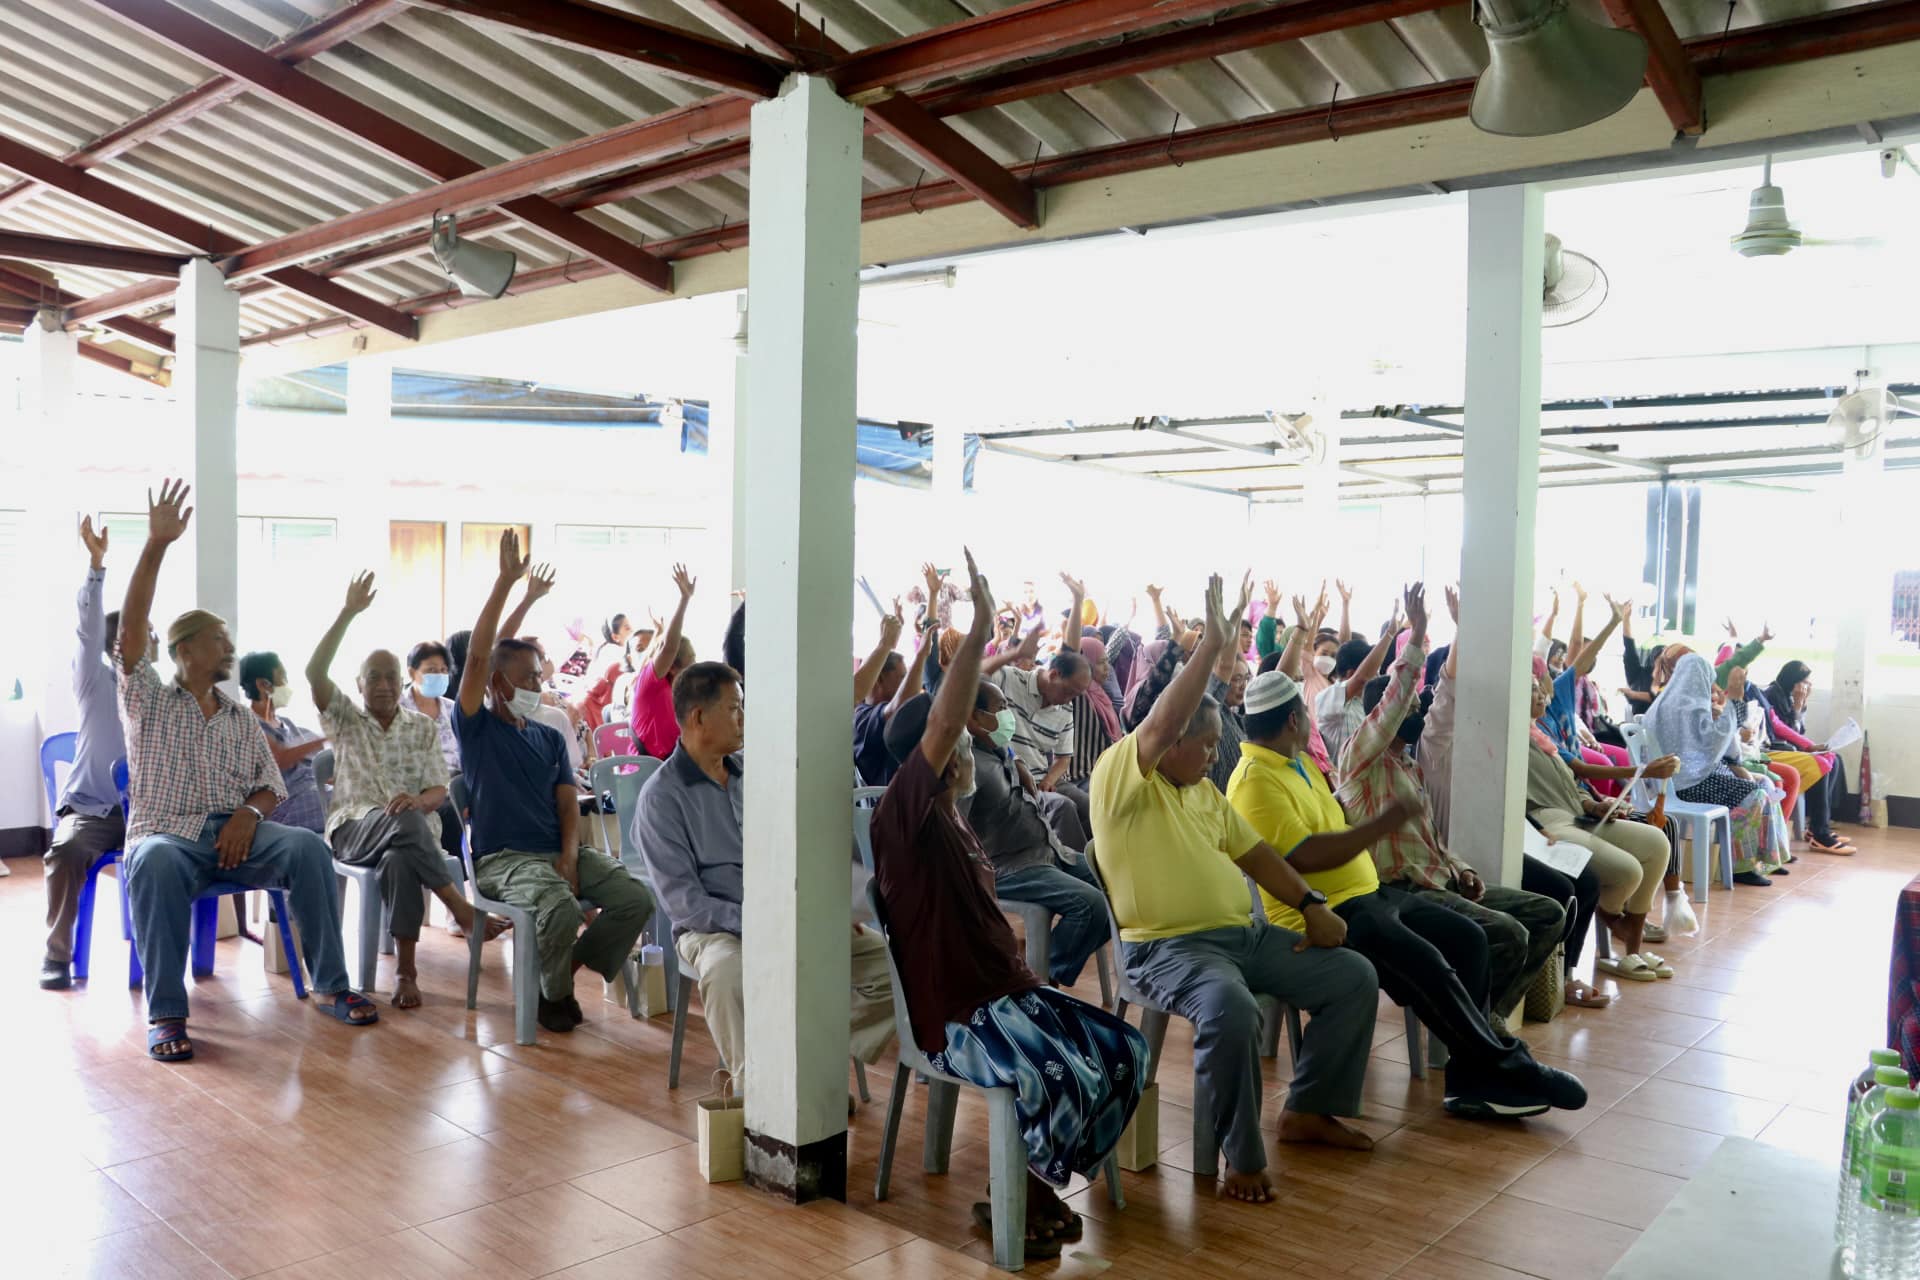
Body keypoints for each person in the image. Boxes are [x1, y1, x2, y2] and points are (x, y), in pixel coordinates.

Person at [872, 550, 1145, 1258]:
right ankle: (1016, 1195)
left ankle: (1029, 1183)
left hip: (1005, 992)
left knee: (1120, 1051)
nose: (966, 751)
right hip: (958, 1013)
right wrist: (984, 627)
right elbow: (939, 723)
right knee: (1051, 1072)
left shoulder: (955, 815)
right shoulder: (905, 819)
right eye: (957, 743)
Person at [1231, 589, 1584, 1121]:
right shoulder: (1261, 778)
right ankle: (1508, 1066)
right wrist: (1416, 638)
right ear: (1291, 723)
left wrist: (1456, 867)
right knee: (1432, 964)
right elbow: (1302, 856)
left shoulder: (1298, 766)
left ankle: (1472, 1077)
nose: (1312, 722)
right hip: (1330, 911)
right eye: (1304, 715)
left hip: (1369, 893)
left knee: (1467, 940)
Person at [1093, 572, 1380, 1205]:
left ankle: (1308, 1110)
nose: (1210, 756)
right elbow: (1166, 718)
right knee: (1233, 1010)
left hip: (1243, 939)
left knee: (1354, 975)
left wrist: (1310, 906)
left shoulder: (1203, 793)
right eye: (1204, 744)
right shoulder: (1122, 777)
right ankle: (1240, 1157)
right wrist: (1212, 646)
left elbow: (1257, 855)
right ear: (1169, 743)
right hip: (1168, 950)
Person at [117, 480, 376, 1062]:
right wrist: (156, 546)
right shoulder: (149, 700)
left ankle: (331, 984)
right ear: (183, 650)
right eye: (219, 640)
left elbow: (268, 784)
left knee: (308, 848)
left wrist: (248, 813)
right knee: (155, 861)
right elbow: (130, 633)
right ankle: (166, 1013)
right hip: (166, 834)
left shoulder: (239, 717)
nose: (231, 650)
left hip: (237, 834)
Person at [633, 660, 895, 1095]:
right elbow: (686, 905)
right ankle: (761, 1097)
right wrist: (761, 921)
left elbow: (796, 848)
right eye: (735, 708)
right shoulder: (661, 798)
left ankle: (800, 1053)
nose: (743, 718)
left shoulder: (752, 774)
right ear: (699, 717)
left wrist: (828, 902)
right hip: (716, 930)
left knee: (898, 964)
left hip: (785, 912)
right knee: (727, 975)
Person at [1337, 585, 1566, 1026]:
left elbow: (1433, 841)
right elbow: (1398, 699)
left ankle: (1484, 1021)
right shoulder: (1360, 760)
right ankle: (1475, 1030)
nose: (1418, 708)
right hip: (1402, 891)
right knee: (1508, 934)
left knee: (1547, 913)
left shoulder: (1410, 766)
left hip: (1441, 880)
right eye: (1409, 706)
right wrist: (1419, 633)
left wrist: (1461, 869)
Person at [457, 532, 653, 1033]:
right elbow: (482, 656)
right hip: (503, 860)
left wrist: (569, 854)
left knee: (635, 899)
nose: (535, 686)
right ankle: (555, 997)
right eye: (524, 679)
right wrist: (508, 585)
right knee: (558, 905)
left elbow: (569, 803)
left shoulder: (546, 735)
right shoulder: (477, 728)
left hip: (554, 851)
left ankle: (562, 973)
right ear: (497, 685)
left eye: (537, 678)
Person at [306, 572, 508, 1008]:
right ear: (359, 685)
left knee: (402, 853)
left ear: (402, 684)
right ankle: (459, 905)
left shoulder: (421, 726)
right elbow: (314, 671)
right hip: (353, 831)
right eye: (373, 678)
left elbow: (439, 789)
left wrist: (419, 801)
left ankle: (406, 973)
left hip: (410, 835)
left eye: (390, 678)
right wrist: (347, 613)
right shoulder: (345, 720)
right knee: (405, 822)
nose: (383, 685)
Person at [927, 678, 1110, 988]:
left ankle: (1037, 970)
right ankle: (1039, 979)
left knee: (1114, 881)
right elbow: (953, 828)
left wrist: (1018, 761)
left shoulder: (996, 748)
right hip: (1010, 866)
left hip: (1047, 851)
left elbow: (1010, 763)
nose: (1008, 714)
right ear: (974, 718)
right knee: (1089, 904)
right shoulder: (965, 767)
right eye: (1001, 708)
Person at [1524, 663, 1679, 984]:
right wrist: (1644, 770)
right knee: (1627, 870)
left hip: (1578, 813)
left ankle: (1631, 950)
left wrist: (1593, 803)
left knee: (1657, 843)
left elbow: (1571, 782)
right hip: (1548, 823)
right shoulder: (1511, 738)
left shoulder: (1542, 736)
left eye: (1541, 690)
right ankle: (1612, 918)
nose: (1542, 696)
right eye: (1534, 691)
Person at [41, 517, 140, 990]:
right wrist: (97, 566)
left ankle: (166, 955)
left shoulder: (161, 693)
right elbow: (87, 631)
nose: (153, 644)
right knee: (65, 850)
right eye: (145, 635)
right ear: (120, 645)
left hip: (147, 813)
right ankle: (57, 955)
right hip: (94, 810)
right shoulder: (94, 680)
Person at [1644, 653, 1786, 887]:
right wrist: (1735, 701)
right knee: (1754, 794)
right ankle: (1741, 867)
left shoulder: (1664, 703)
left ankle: (1763, 858)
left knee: (1759, 785)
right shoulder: (1689, 707)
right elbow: (1714, 743)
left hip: (1671, 782)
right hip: (1688, 784)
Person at [985, 573, 1094, 836]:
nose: (1071, 700)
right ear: (1054, 675)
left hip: (1045, 779)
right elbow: (976, 674)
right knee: (1063, 808)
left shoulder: (1065, 708)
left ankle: (1106, 865)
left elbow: (1064, 758)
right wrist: (1013, 653)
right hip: (1015, 782)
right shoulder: (1012, 681)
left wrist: (1048, 780)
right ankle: (1076, 869)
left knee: (1091, 807)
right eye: (1069, 691)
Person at [1761, 661, 1855, 854]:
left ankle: (1817, 826)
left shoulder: (1788, 695)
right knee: (1821, 763)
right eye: (1804, 682)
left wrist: (1800, 707)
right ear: (1792, 680)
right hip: (1778, 748)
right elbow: (1780, 731)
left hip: (1791, 747)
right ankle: (1820, 834)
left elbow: (1797, 730)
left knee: (1834, 759)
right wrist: (1797, 706)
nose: (1808, 686)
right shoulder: (1772, 695)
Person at [238, 651, 328, 834]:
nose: (287, 685)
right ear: (263, 685)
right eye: (283, 677)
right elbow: (279, 758)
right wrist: (328, 735)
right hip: (286, 805)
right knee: (349, 804)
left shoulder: (289, 725)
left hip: (313, 793)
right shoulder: (247, 723)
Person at [1314, 604, 1397, 782]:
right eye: (1373, 670)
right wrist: (1389, 635)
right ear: (1351, 674)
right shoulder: (1327, 697)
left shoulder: (1365, 705)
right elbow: (1361, 678)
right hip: (1341, 792)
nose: (1376, 675)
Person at [854, 606, 934, 788]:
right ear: (880, 678)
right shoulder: (862, 717)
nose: (909, 683)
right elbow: (903, 708)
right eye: (903, 677)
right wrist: (921, 656)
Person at [631, 564, 696, 758]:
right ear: (674, 667)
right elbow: (669, 647)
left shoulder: (680, 694)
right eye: (691, 661)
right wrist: (684, 600)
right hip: (643, 775)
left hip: (668, 772)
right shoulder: (651, 684)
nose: (695, 666)